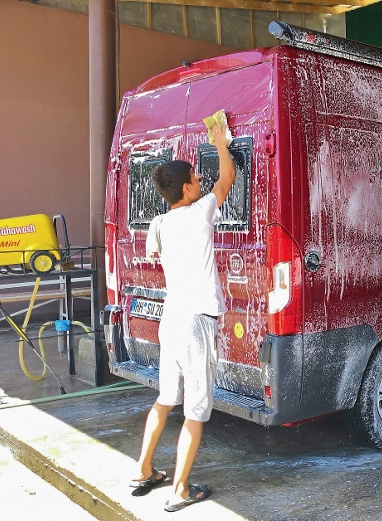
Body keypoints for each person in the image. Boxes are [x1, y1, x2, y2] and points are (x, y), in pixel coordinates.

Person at [130, 123, 235, 512]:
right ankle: (180, 489)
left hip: (170, 320)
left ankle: (143, 470)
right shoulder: (200, 212)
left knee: (164, 400)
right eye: (195, 175)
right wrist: (221, 143)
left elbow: (156, 253)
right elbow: (227, 177)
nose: (201, 178)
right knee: (195, 411)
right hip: (196, 322)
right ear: (188, 189)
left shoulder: (160, 223)